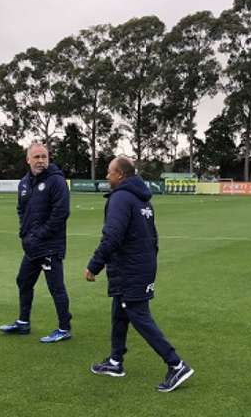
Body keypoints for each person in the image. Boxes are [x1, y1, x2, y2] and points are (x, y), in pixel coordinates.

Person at [85, 156, 194, 392]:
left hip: (131, 267)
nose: (106, 176)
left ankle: (176, 364)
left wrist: (94, 265)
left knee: (137, 314)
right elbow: (153, 237)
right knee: (120, 311)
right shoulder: (142, 199)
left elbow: (112, 236)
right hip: (141, 264)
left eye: (109, 172)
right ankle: (115, 361)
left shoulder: (121, 198)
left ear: (120, 175)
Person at [0, 143, 72, 343]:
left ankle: (64, 328)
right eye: (37, 157)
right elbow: (21, 210)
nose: (41, 160)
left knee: (56, 288)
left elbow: (61, 213)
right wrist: (25, 232)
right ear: (28, 159)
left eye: (44, 156)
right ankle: (23, 322)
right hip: (31, 245)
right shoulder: (24, 183)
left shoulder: (56, 181)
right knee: (23, 281)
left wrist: (40, 234)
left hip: (50, 245)